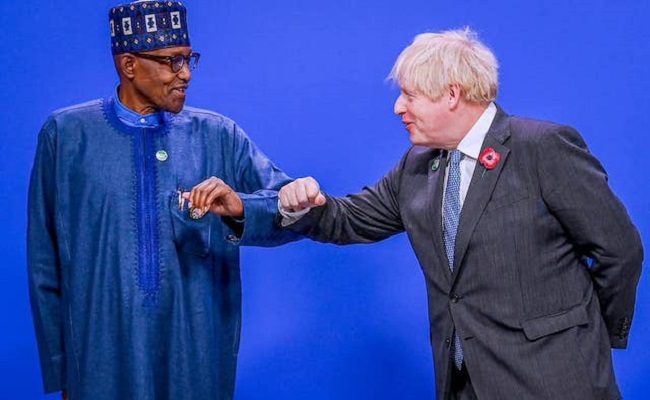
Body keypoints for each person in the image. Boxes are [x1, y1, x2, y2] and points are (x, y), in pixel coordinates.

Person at [277, 28, 643, 399]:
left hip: (555, 381)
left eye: (409, 95)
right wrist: (304, 204)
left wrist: (591, 332)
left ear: (452, 94)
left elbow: (620, 250)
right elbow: (349, 219)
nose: (398, 108)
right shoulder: (416, 166)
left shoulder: (541, 148)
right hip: (464, 386)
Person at [27, 1, 297, 399]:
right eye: (172, 62)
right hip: (100, 361)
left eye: (189, 60)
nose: (185, 74)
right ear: (129, 65)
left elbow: (289, 209)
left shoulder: (218, 135)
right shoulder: (66, 137)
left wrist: (241, 208)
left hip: (197, 358)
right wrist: (62, 371)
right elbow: (43, 262)